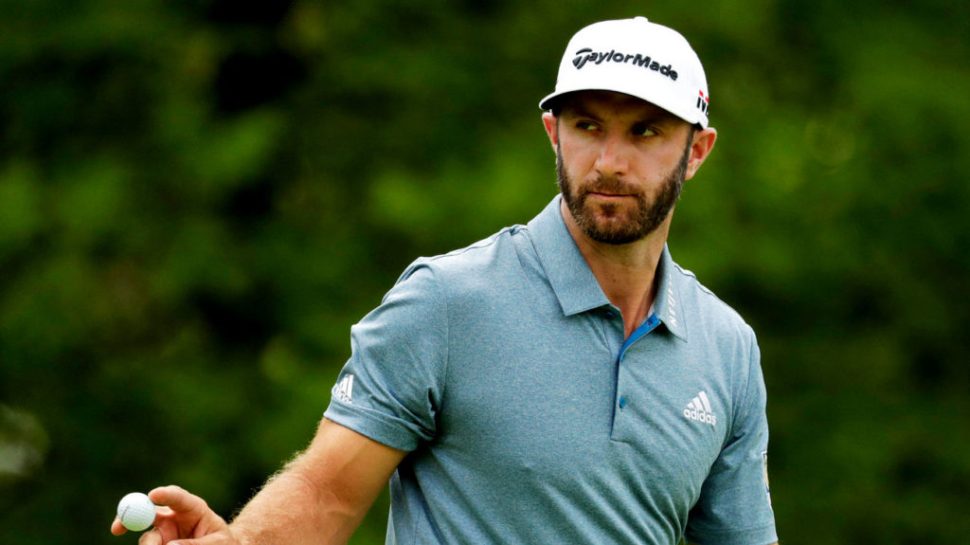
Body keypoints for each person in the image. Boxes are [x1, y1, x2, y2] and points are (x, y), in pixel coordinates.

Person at [111, 16, 778, 545]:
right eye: (587, 125)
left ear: (696, 151)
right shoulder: (447, 301)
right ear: (553, 131)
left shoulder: (726, 347)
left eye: (645, 131)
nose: (608, 160)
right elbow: (328, 492)